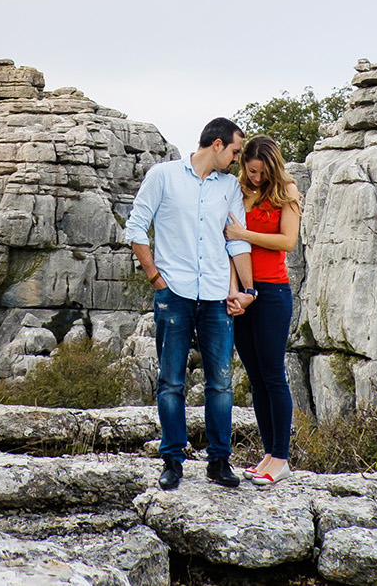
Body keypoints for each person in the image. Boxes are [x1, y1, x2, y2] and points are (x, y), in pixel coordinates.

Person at [123, 117, 256, 490]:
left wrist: (247, 290)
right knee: (170, 382)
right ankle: (172, 461)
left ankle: (219, 462)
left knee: (221, 383)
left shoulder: (229, 187)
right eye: (233, 150)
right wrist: (154, 276)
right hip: (174, 293)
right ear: (216, 145)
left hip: (216, 295)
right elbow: (136, 226)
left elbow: (235, 241)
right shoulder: (163, 176)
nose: (235, 158)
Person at [222, 134, 302, 485]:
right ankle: (268, 453)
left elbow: (288, 241)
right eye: (251, 171)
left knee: (272, 375)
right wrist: (234, 291)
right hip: (241, 291)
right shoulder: (236, 190)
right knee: (255, 379)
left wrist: (245, 233)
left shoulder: (287, 191)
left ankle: (281, 458)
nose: (257, 177)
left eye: (262, 171)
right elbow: (226, 242)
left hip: (272, 292)